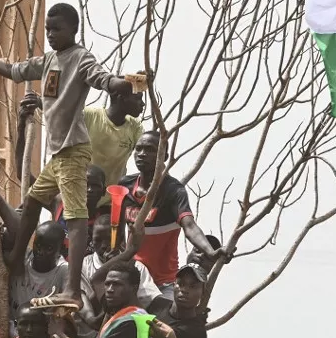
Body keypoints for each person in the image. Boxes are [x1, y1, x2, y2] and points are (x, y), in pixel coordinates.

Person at [0, 2, 138, 306]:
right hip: (57, 156)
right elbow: (12, 70)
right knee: (33, 203)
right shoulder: (50, 58)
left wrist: (123, 83)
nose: (51, 34)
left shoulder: (80, 58)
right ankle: (13, 262)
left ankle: (72, 290)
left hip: (73, 152)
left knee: (76, 220)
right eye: (48, 29)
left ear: (73, 30)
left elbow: (102, 78)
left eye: (57, 29)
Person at [118, 131, 229, 299]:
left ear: (164, 156)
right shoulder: (125, 186)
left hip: (163, 283)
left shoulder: (173, 191)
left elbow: (189, 225)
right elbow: (115, 228)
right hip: (132, 278)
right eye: (138, 149)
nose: (142, 154)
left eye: (149, 149)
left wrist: (210, 252)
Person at [78, 215, 165, 338]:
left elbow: (150, 302)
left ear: (119, 239)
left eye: (108, 239)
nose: (103, 245)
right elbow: (86, 306)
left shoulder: (136, 267)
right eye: (97, 240)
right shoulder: (82, 265)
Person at [84, 91, 145, 205]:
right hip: (81, 198)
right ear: (121, 98)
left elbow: (149, 153)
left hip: (111, 203)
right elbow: (62, 111)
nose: (142, 104)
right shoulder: (90, 116)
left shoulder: (134, 126)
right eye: (137, 98)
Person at [11, 221, 70, 322]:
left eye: (49, 248)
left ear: (61, 250)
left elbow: (70, 299)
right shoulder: (23, 258)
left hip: (39, 331)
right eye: (37, 245)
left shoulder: (64, 270)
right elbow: (14, 231)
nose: (40, 251)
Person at [49, 163, 108, 261]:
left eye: (96, 186)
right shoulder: (60, 204)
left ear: (103, 191)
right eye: (84, 184)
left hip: (84, 275)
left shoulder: (104, 222)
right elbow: (35, 189)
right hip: (54, 271)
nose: (89, 190)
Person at [97, 263, 160, 338]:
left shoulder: (130, 322)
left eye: (117, 284)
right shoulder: (122, 315)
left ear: (134, 288)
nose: (110, 289)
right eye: (107, 284)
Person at [149, 264, 208, 338]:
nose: (184, 290)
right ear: (174, 285)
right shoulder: (158, 303)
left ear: (203, 293)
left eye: (193, 286)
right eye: (181, 284)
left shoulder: (198, 333)